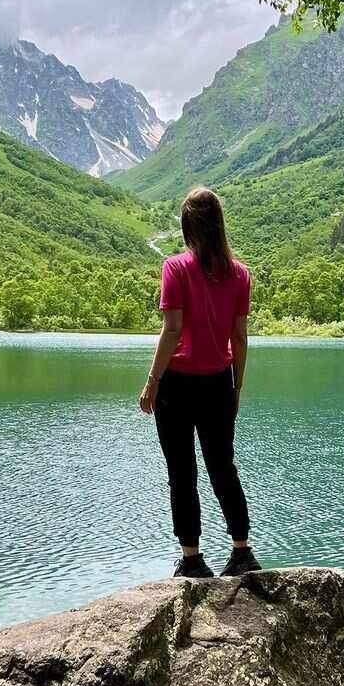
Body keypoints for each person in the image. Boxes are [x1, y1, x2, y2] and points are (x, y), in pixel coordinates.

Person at [139, 187, 262, 578]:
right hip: (218, 384)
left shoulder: (175, 268)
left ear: (187, 225)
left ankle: (192, 559)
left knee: (182, 472)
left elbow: (172, 329)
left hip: (176, 385)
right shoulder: (240, 274)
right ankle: (241, 552)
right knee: (223, 468)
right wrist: (237, 386)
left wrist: (152, 381)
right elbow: (239, 337)